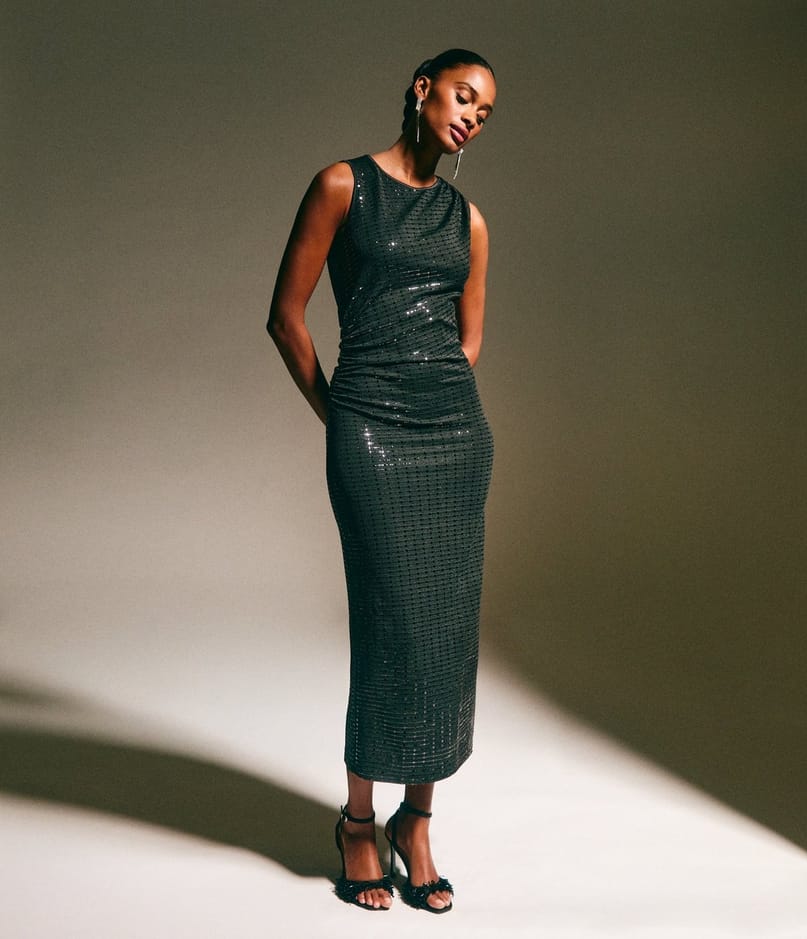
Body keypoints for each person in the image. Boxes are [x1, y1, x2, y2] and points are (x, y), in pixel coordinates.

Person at [267, 49, 497, 914]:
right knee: (388, 621)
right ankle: (358, 819)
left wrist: (438, 392)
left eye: (485, 112)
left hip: (455, 439)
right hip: (369, 429)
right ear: (423, 88)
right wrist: (343, 411)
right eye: (464, 96)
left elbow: (468, 339)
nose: (472, 116)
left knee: (444, 629)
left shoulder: (468, 220)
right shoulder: (343, 185)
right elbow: (284, 317)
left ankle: (417, 819)